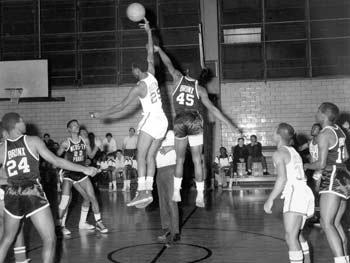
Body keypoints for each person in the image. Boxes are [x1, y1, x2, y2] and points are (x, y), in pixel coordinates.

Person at [91, 18, 168, 208]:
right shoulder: (151, 73)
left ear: (136, 70)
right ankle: (147, 191)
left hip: (151, 119)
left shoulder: (139, 87)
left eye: (132, 71)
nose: (133, 73)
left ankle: (142, 191)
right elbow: (150, 52)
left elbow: (121, 106)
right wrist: (149, 31)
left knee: (141, 157)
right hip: (163, 120)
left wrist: (102, 114)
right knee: (150, 157)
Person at [0, 112, 97, 263]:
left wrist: (10, 181)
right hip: (32, 190)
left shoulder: (2, 148)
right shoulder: (33, 140)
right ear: (17, 124)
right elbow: (56, 161)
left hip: (12, 193)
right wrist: (84, 169)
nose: (25, 123)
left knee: (6, 239)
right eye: (22, 120)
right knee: (49, 238)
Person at [154, 45, 240, 207]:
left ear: (186, 72)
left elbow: (168, 63)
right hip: (194, 120)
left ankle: (176, 191)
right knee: (197, 160)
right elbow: (213, 109)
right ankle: (200, 195)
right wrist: (231, 124)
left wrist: (159, 50)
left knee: (179, 159)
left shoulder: (178, 78)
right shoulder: (200, 89)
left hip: (180, 119)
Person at [304, 102, 350, 263]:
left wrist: (306, 165)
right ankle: (345, 258)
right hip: (344, 176)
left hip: (332, 177)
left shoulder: (324, 134)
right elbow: (345, 157)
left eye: (318, 111)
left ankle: (340, 261)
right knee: (335, 223)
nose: (315, 113)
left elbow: (321, 164)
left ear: (323, 115)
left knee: (326, 223)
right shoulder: (340, 130)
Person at [264, 123, 314, 263]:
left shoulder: (279, 153)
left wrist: (270, 199)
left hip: (295, 193)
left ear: (278, 136)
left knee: (290, 237)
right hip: (304, 192)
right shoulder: (293, 151)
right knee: (297, 235)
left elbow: (282, 178)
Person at [57, 120, 108, 235]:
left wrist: (97, 147)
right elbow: (57, 156)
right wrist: (62, 160)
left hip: (81, 172)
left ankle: (95, 222)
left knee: (91, 197)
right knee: (65, 200)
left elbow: (90, 155)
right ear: (69, 129)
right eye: (73, 125)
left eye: (77, 124)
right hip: (68, 173)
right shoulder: (65, 143)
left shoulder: (84, 141)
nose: (76, 126)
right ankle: (59, 225)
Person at [0, 122, 30, 263]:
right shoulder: (3, 149)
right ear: (5, 133)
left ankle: (21, 260)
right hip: (3, 192)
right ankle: (21, 260)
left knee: (9, 229)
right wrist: (11, 182)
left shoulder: (8, 148)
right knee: (14, 228)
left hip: (7, 191)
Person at [155, 130, 180, 244]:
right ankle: (167, 229)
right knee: (162, 203)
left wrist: (170, 148)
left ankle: (176, 232)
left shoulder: (171, 133)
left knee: (171, 202)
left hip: (171, 169)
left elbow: (184, 145)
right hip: (159, 171)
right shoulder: (155, 135)